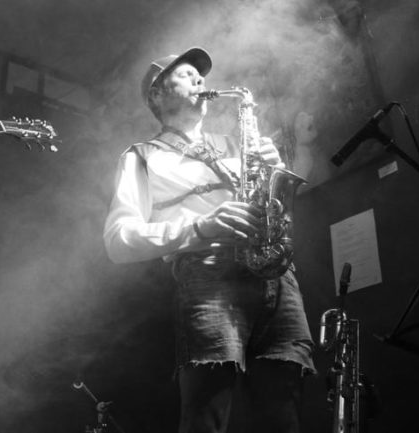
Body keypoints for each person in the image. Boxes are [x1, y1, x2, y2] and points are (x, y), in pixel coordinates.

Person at [103, 48, 314, 433]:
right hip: (209, 276)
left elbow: (275, 206)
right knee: (207, 416)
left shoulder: (237, 146)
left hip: (276, 278)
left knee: (283, 416)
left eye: (199, 75)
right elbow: (118, 240)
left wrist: (274, 169)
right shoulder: (141, 156)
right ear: (156, 93)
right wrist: (200, 227)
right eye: (185, 74)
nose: (200, 80)